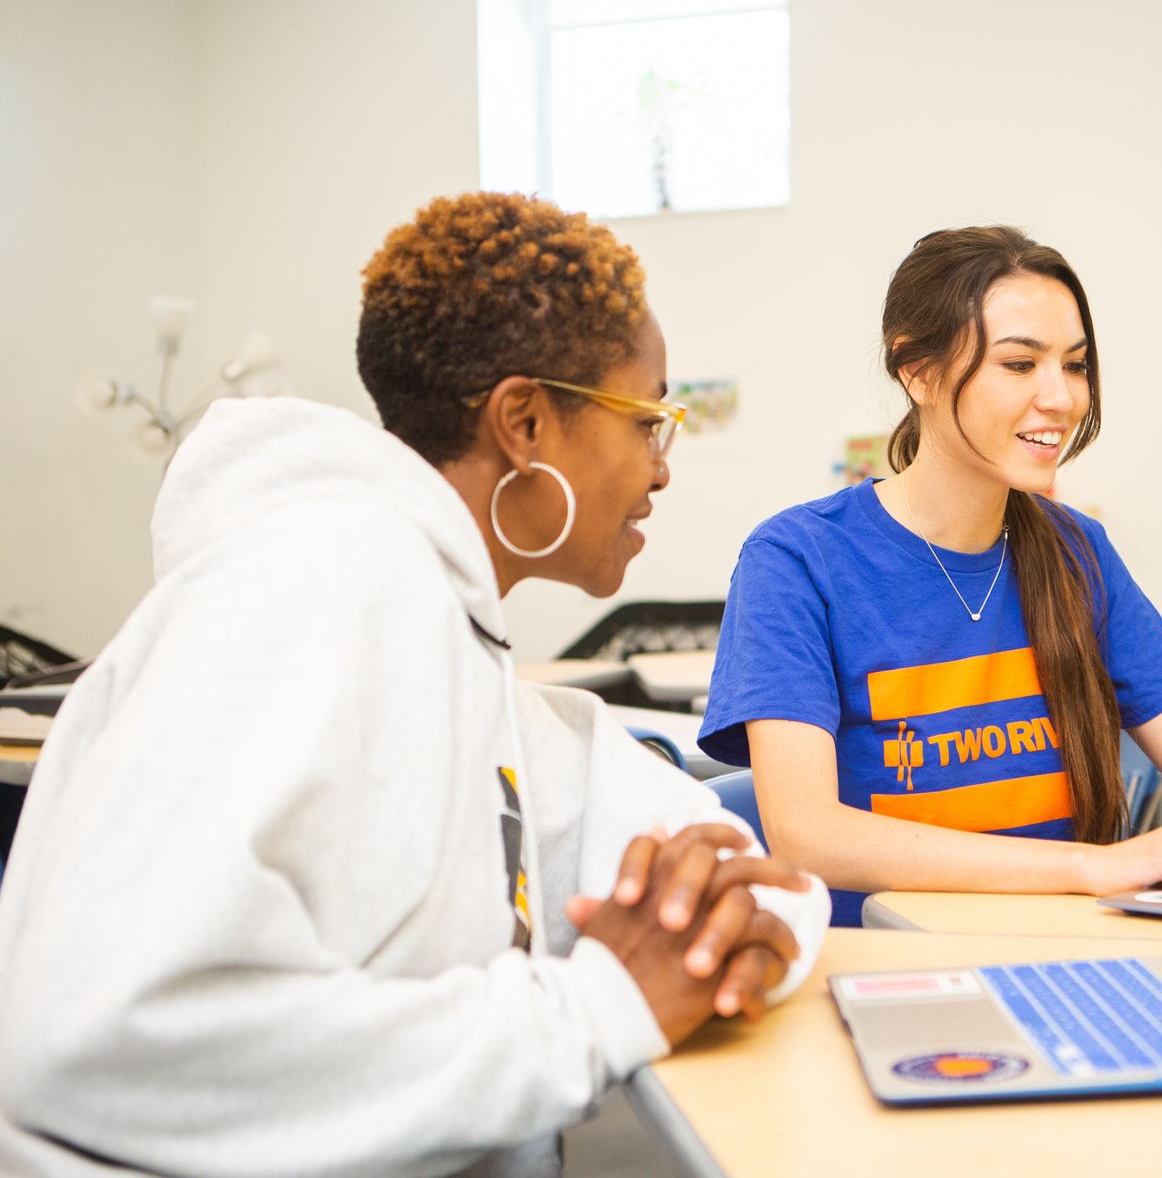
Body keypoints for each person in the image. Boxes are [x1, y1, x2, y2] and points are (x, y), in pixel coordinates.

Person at [0, 193, 829, 1176]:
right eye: (646, 419)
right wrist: (599, 1008)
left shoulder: (466, 656)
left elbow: (746, 870)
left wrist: (732, 931)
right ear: (524, 420)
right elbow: (89, 1039)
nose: (660, 467)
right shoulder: (316, 582)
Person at [698, 226, 1162, 925]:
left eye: (1076, 364)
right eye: (1021, 365)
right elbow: (807, 833)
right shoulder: (795, 560)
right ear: (918, 370)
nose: (1061, 397)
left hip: (1060, 959)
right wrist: (1093, 865)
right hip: (882, 967)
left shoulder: (1077, 551)